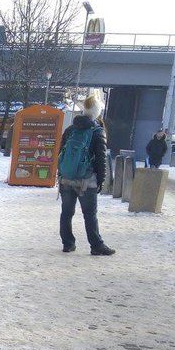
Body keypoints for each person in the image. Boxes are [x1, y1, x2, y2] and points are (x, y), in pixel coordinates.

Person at [56, 95, 115, 255]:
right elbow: (101, 159)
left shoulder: (70, 129)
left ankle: (68, 243)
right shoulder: (98, 131)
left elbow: (61, 153)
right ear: (97, 112)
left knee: (66, 212)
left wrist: (60, 174)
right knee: (89, 214)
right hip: (86, 180)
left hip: (66, 179)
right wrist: (101, 180)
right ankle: (96, 245)